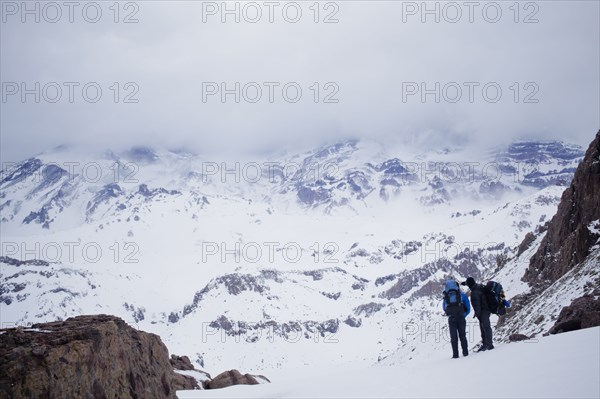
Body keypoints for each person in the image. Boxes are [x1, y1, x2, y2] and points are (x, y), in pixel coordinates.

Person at [463, 277, 494, 352]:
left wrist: (477, 315)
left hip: (483, 311)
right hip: (487, 309)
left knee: (486, 327)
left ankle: (489, 345)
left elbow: (477, 305)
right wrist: (464, 283)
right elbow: (469, 282)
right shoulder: (478, 286)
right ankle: (485, 344)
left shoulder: (474, 293)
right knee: (483, 328)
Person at [442, 280, 471, 359]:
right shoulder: (462, 295)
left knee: (453, 337)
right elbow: (468, 308)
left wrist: (451, 315)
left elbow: (444, 308)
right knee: (462, 335)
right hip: (461, 318)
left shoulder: (447, 297)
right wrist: (463, 315)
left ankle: (455, 355)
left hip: (451, 319)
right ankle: (465, 353)